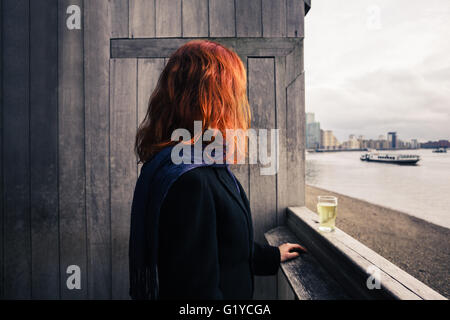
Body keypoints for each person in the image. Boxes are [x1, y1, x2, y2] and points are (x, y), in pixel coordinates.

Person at [129, 40, 306, 300]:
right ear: (215, 100)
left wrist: (272, 255)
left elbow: (222, 245)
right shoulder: (191, 180)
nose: (240, 101)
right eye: (236, 91)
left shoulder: (196, 164)